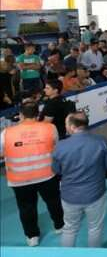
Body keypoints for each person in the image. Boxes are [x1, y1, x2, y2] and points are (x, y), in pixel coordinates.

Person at [0, 101, 64, 246]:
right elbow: (55, 146)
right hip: (47, 175)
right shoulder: (50, 128)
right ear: (38, 113)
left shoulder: (6, 133)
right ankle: (60, 225)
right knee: (53, 201)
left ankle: (32, 236)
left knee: (26, 207)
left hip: (19, 179)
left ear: (21, 115)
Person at [52, 112, 107, 247]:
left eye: (66, 124)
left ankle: (66, 256)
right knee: (95, 228)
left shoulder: (60, 146)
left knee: (70, 229)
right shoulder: (101, 141)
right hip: (96, 194)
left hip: (69, 196)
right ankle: (93, 256)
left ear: (72, 126)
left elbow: (56, 170)